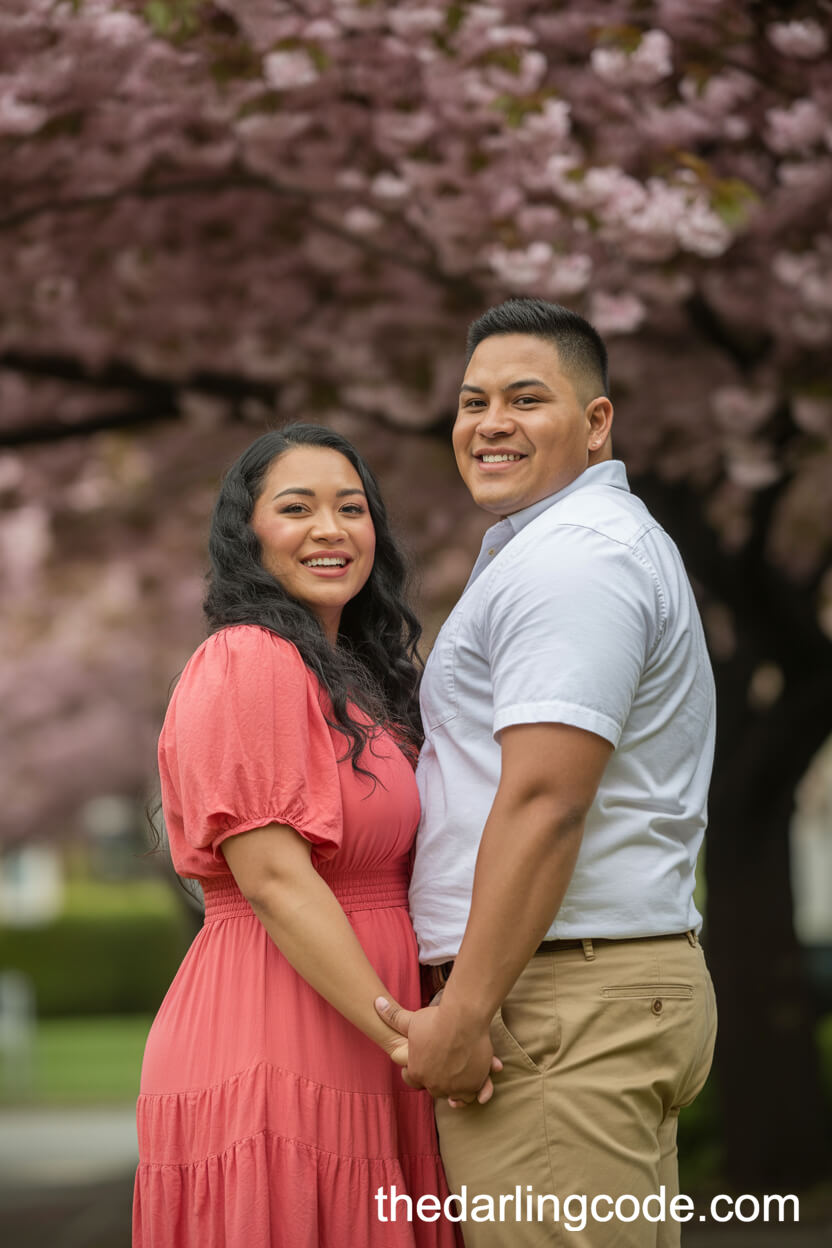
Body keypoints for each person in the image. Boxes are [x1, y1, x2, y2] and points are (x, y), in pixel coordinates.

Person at [376, 298, 718, 1247]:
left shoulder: (576, 562)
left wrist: (469, 1006)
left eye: (527, 399)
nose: (490, 423)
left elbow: (546, 799)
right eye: (472, 400)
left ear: (597, 420)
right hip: (585, 991)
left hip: (555, 1005)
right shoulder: (566, 549)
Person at [133, 425, 462, 1248]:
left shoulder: (359, 676)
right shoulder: (251, 659)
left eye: (351, 508)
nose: (330, 529)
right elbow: (276, 880)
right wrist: (407, 1033)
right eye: (296, 508)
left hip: (374, 1026)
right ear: (248, 534)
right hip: (283, 1027)